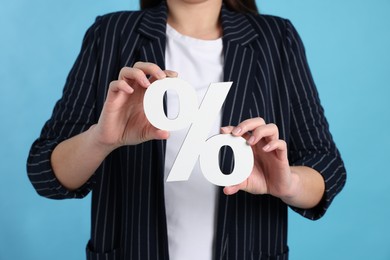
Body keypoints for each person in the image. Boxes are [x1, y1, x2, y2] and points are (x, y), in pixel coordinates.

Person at [27, 0, 346, 259]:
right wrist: (101, 139)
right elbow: (45, 173)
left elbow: (326, 167)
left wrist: (287, 183)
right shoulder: (111, 33)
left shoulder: (277, 38)